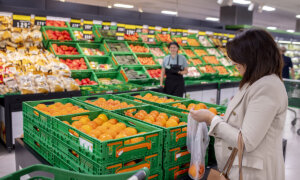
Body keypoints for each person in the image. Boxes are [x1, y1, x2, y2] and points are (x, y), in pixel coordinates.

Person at [190, 29, 287, 180]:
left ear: (254, 57)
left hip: (255, 173)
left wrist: (212, 119)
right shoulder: (255, 82)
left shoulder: (267, 87)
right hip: (243, 166)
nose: (233, 62)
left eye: (238, 57)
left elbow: (246, 141)